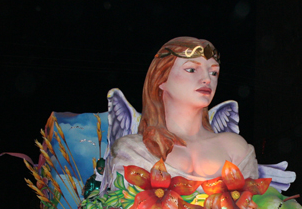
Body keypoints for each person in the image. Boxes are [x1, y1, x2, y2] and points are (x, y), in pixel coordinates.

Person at [107, 37, 257, 183]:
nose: (207, 79)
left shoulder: (234, 148)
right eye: (191, 69)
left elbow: (257, 202)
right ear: (161, 79)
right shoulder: (134, 150)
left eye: (213, 73)